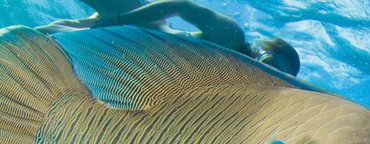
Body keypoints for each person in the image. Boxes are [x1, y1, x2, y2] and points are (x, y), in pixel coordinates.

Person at [36, 0, 300, 76]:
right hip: (138, 26)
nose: (264, 69)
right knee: (63, 31)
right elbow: (182, 6)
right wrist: (117, 21)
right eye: (269, 61)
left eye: (275, 73)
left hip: (131, 50)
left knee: (47, 36)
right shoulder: (232, 38)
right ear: (263, 49)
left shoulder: (236, 77)